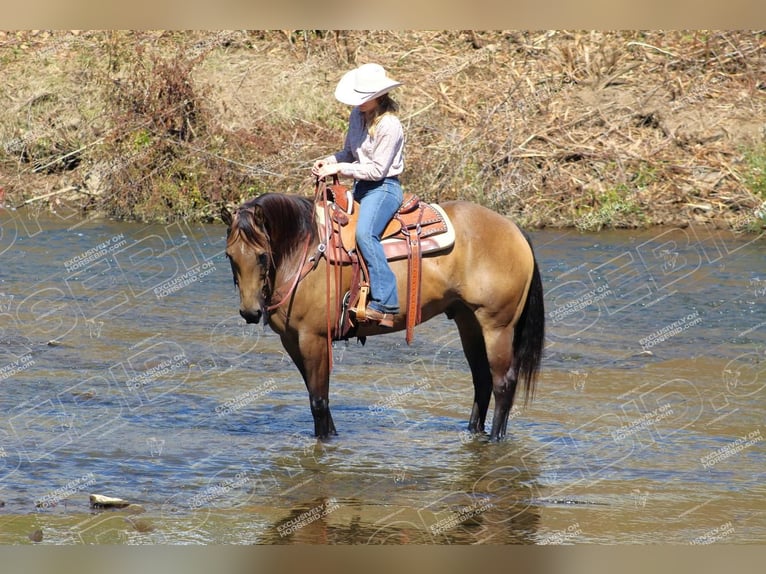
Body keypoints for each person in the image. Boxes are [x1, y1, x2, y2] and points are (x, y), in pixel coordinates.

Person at [312, 63, 404, 328]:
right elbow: (350, 153)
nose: (360, 102)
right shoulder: (356, 115)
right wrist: (328, 160)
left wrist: (339, 168)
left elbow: (376, 170)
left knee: (365, 234)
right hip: (361, 187)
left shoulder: (390, 125)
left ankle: (386, 303)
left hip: (383, 188)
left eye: (365, 97)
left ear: (380, 95)